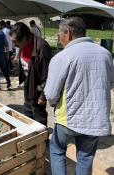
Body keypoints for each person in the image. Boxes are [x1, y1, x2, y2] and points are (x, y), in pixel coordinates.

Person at [44, 17, 114, 175]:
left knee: (56, 150)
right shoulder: (105, 54)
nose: (58, 38)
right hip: (95, 118)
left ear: (67, 33)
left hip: (68, 118)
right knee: (85, 157)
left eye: (59, 34)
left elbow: (51, 94)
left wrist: (55, 102)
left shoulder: (62, 57)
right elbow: (110, 83)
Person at [9, 22, 51, 126]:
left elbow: (48, 73)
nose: (14, 45)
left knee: (39, 117)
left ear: (24, 38)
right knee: (27, 114)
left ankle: (42, 140)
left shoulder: (41, 47)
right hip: (28, 85)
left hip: (38, 88)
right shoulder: (22, 44)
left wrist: (43, 95)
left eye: (15, 42)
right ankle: (32, 138)